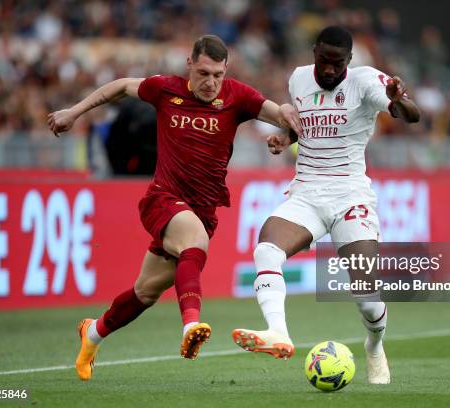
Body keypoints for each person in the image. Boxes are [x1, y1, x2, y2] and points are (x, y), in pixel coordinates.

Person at [47, 34, 302, 381]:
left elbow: (285, 116)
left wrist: (287, 132)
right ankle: (190, 327)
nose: (210, 82)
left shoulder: (238, 96)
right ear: (189, 66)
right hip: (163, 198)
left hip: (203, 210)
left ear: (226, 70)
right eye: (203, 73)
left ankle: (92, 333)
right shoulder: (165, 90)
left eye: (217, 74)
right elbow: (121, 87)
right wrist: (74, 112)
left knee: (145, 292)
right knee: (194, 241)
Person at [231, 26, 420, 385]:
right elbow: (306, 127)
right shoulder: (299, 79)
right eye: (323, 61)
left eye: (338, 64)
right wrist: (286, 138)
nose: (329, 70)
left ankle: (375, 344)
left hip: (350, 196)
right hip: (307, 192)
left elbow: (411, 116)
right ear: (313, 52)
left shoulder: (366, 81)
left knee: (365, 295)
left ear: (350, 60)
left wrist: (398, 99)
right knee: (267, 249)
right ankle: (278, 333)